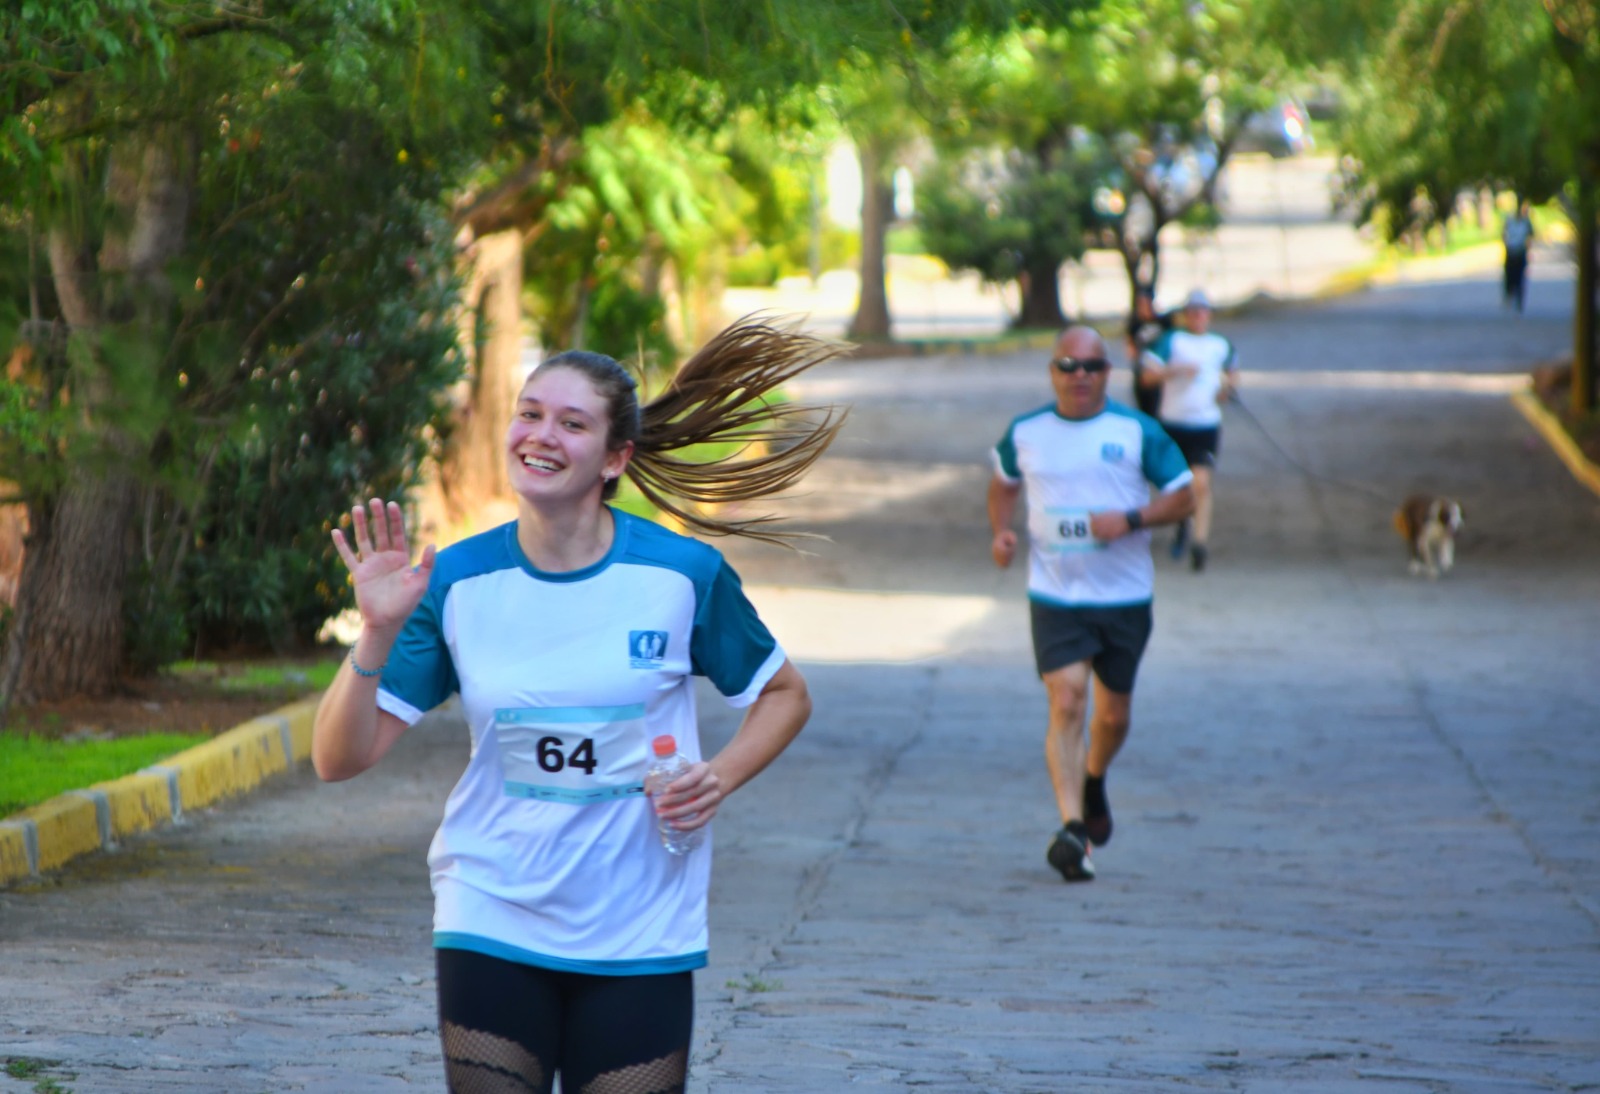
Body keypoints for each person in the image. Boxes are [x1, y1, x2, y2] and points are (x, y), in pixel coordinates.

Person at [313, 320, 843, 1094]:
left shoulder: (680, 574)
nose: (540, 435)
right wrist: (376, 632)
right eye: (529, 413)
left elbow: (784, 695)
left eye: (571, 422)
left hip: (639, 922)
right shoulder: (456, 581)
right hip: (491, 906)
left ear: (615, 457)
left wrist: (719, 776)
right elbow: (338, 758)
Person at [989, 326, 1195, 883]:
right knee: (1068, 698)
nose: (1080, 377)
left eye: (1092, 367)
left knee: (1112, 715)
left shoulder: (1136, 431)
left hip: (1125, 596)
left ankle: (1095, 775)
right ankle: (1073, 829)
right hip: (1055, 594)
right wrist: (1002, 531)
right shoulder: (1027, 431)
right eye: (1067, 366)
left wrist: (1131, 519)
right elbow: (1003, 481)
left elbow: (1184, 495)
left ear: (1108, 372)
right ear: (1052, 372)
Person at [1139, 289, 1237, 572]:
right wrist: (1176, 371)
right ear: (1185, 315)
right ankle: (1182, 521)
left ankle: (1199, 542)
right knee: (1178, 484)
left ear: (1209, 314)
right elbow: (1147, 376)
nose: (1197, 316)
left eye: (1202, 311)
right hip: (1173, 422)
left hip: (1205, 424)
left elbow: (1232, 375)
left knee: (1201, 484)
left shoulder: (1220, 345)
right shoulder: (1172, 341)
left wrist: (1226, 390)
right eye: (1192, 311)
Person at [1124, 285, 1174, 419]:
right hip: (1142, 368)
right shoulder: (1135, 323)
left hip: (1161, 368)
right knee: (1144, 408)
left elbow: (1172, 341)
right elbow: (1130, 346)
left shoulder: (1163, 321)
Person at [1502, 201, 1534, 313]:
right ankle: (1509, 294)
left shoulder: (1526, 222)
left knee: (1520, 276)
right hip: (1511, 250)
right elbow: (1504, 233)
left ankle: (1519, 299)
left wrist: (1527, 246)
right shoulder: (1509, 220)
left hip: (1521, 251)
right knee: (1509, 275)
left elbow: (1531, 234)